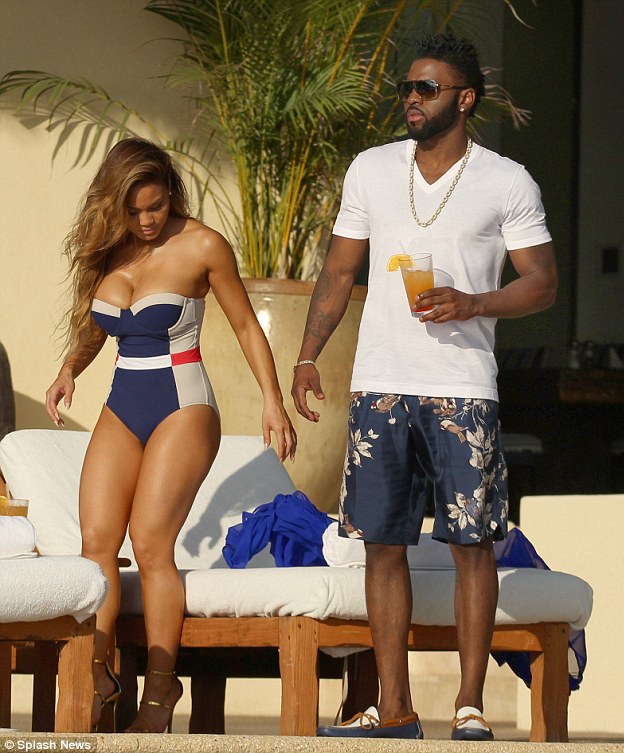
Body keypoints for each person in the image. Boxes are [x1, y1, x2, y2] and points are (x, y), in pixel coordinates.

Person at [291, 32, 557, 741]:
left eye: (425, 88)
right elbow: (339, 270)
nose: (410, 98)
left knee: (472, 543)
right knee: (382, 543)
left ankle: (468, 703)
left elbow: (541, 283)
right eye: (406, 87)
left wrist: (474, 302)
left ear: (464, 99)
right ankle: (395, 705)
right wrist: (307, 355)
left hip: (462, 388)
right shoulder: (372, 169)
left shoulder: (506, 180)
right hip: (380, 384)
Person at [45, 138, 297, 733]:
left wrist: (273, 399)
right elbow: (96, 329)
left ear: (171, 194)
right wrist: (68, 369)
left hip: (183, 405)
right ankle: (99, 674)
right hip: (122, 403)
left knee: (151, 542)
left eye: (155, 206)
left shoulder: (203, 245)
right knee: (96, 542)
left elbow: (245, 324)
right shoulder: (111, 249)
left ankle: (161, 688)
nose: (146, 221)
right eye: (133, 210)